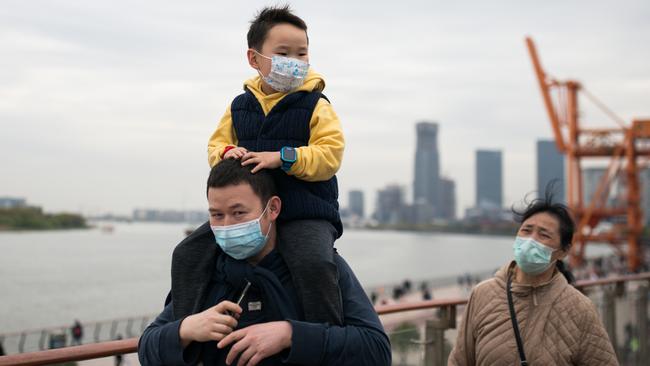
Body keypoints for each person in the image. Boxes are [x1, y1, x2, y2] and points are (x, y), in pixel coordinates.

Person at [137, 159, 391, 366]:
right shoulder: (203, 274)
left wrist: (290, 335)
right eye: (217, 215)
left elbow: (376, 350)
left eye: (239, 213)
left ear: (272, 209)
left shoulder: (319, 267)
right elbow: (147, 347)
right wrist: (185, 329)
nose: (226, 225)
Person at [207, 5, 345, 326]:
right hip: (250, 213)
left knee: (314, 264)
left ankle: (325, 337)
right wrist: (228, 153)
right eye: (283, 53)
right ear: (254, 59)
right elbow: (215, 146)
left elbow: (330, 155)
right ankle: (186, 328)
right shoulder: (239, 106)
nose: (294, 62)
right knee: (189, 253)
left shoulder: (316, 105)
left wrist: (283, 157)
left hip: (304, 212)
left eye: (301, 54)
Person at [448, 190, 618, 366]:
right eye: (526, 230)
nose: (531, 240)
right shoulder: (482, 294)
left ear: (563, 251)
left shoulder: (580, 309)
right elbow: (460, 360)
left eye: (544, 235)